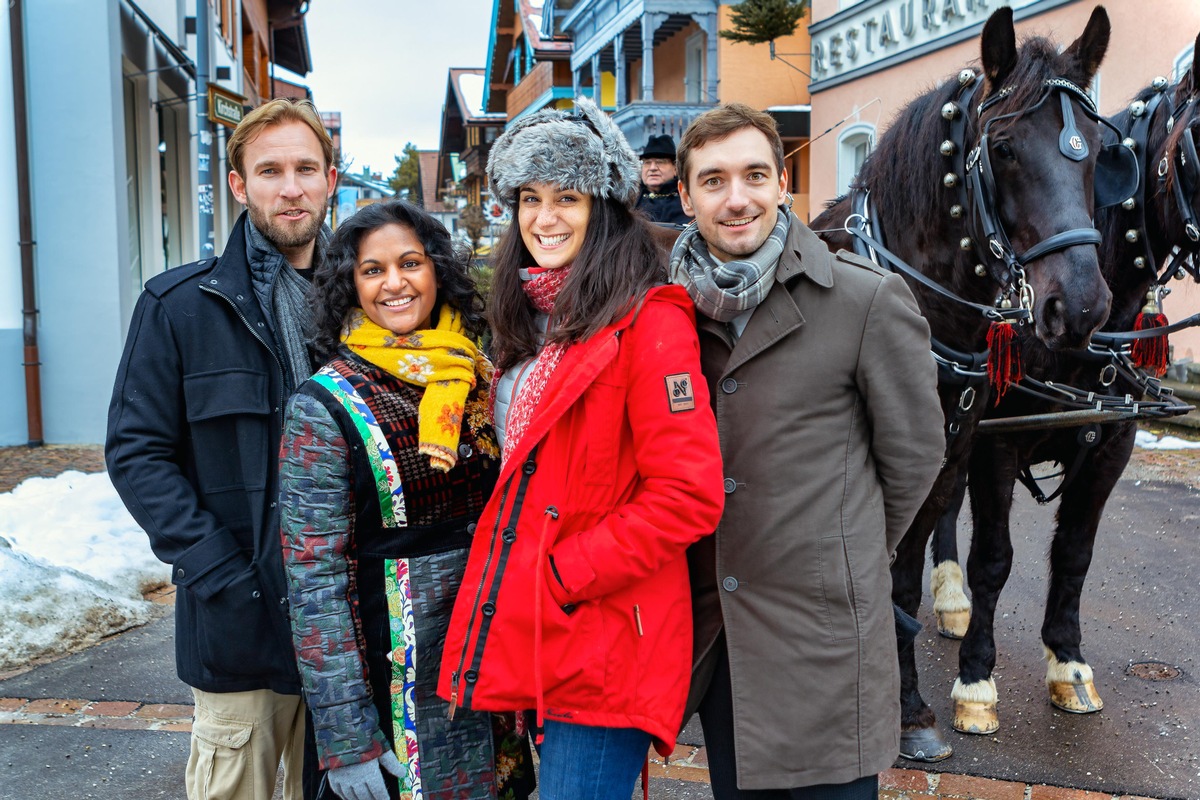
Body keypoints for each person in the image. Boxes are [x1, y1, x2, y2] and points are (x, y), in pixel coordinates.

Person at [437, 97, 725, 800]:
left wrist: (562, 574)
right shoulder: (531, 320)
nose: (544, 218)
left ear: (602, 205)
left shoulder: (650, 322)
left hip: (605, 637)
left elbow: (689, 495)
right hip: (542, 630)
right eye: (529, 199)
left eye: (567, 196)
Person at [670, 103, 945, 799]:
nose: (737, 199)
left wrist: (841, 554)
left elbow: (915, 457)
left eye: (755, 175)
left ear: (783, 181)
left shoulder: (864, 301)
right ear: (685, 193)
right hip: (724, 646)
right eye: (713, 180)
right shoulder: (670, 311)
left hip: (825, 644)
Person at [106, 98, 336, 800]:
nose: (289, 187)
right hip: (240, 631)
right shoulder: (180, 306)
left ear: (330, 178)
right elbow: (137, 452)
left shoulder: (365, 305)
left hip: (348, 636)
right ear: (238, 185)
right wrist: (224, 577)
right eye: (269, 170)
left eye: (305, 168)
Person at [278, 200, 534, 800]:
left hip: (490, 672)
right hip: (395, 687)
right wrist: (346, 741)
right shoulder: (323, 404)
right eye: (372, 270)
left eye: (411, 262)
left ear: (438, 269)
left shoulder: (482, 370)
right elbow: (314, 583)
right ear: (350, 285)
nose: (395, 283)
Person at [635, 133, 691, 226]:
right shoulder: (630, 199)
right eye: (647, 163)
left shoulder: (688, 199)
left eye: (660, 162)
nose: (652, 168)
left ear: (675, 169)